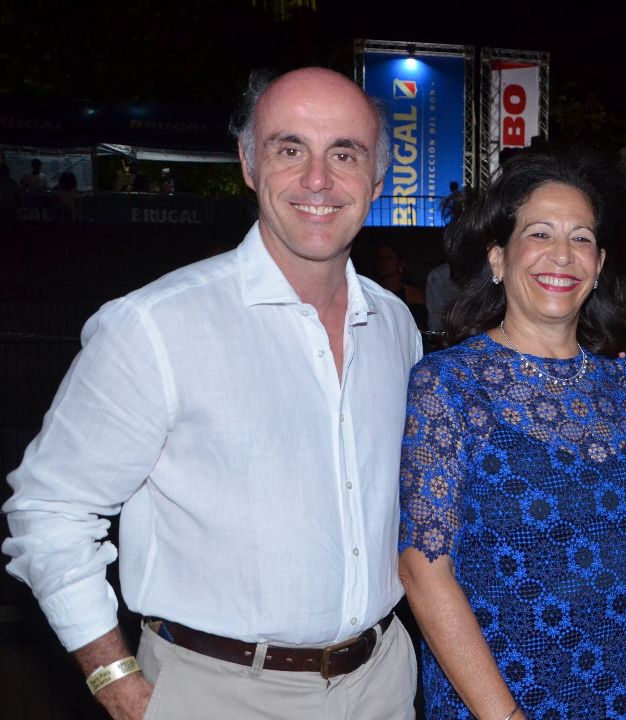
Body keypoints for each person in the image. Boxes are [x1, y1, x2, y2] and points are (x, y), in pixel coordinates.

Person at [2, 67, 423, 720]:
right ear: (250, 164)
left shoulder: (396, 325)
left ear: (377, 175)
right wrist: (115, 679)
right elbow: (49, 510)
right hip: (217, 694)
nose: (319, 179)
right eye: (290, 149)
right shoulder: (155, 325)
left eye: (345, 152)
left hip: (384, 682)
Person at [397, 146, 626, 720]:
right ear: (498, 257)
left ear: (598, 266)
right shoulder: (449, 385)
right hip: (499, 700)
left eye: (582, 238)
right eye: (540, 234)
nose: (562, 255)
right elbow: (424, 568)